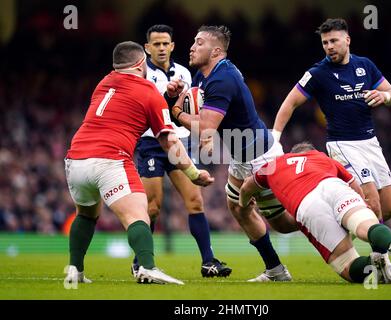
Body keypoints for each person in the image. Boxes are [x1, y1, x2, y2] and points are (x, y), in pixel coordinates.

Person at [63, 41, 214, 285]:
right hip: (110, 159)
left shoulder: (103, 83)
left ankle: (75, 269)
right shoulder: (147, 90)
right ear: (141, 63)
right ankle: (147, 267)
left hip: (75, 159)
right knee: (137, 216)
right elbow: (168, 141)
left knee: (87, 214)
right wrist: (193, 173)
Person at [170, 25, 297, 282]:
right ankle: (275, 270)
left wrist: (177, 112)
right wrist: (176, 95)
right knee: (238, 207)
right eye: (193, 42)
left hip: (262, 157)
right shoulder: (204, 76)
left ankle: (337, 218)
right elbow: (206, 125)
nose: (192, 47)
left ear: (216, 50)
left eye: (199, 42)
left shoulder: (222, 78)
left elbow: (205, 125)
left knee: (284, 224)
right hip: (241, 156)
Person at [272, 18, 391, 223]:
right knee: (372, 204)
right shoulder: (318, 73)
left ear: (347, 40)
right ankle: (379, 254)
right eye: (325, 43)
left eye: (333, 41)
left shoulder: (365, 65)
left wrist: (385, 96)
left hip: (370, 142)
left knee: (389, 208)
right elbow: (290, 103)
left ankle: (337, 222)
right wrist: (275, 137)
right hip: (343, 144)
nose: (329, 47)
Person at [132, 24, 232, 278]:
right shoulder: (142, 74)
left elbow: (194, 106)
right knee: (153, 207)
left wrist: (203, 134)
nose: (162, 48)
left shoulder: (186, 73)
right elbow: (146, 112)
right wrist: (167, 95)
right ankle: (141, 262)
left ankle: (208, 261)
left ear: (173, 45)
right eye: (156, 44)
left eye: (166, 43)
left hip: (180, 142)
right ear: (147, 48)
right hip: (151, 142)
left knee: (195, 201)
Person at [239, 142, 391, 284]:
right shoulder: (323, 157)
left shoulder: (274, 164)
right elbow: (355, 187)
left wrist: (244, 203)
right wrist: (361, 209)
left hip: (307, 203)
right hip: (333, 185)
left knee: (345, 263)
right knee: (365, 226)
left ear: (291, 154)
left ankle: (374, 265)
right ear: (311, 151)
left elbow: (247, 187)